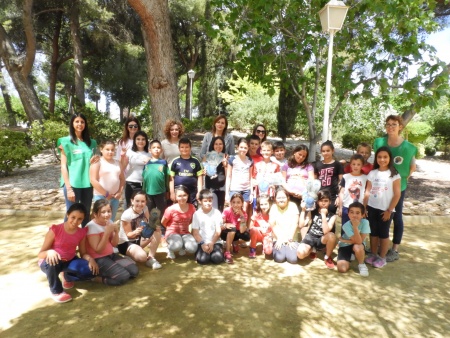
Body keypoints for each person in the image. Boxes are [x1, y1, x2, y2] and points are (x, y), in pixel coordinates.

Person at [373, 115, 417, 262]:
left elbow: (412, 167)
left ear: (400, 127)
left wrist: (401, 180)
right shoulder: (379, 142)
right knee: (379, 213)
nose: (391, 127)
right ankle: (378, 245)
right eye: (388, 124)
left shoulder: (408, 148)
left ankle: (395, 249)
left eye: (394, 124)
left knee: (396, 217)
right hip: (380, 186)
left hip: (398, 187)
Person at [38, 203, 98, 303]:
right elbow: (40, 254)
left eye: (80, 219)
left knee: (91, 271)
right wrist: (50, 252)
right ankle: (56, 291)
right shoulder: (55, 230)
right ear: (67, 215)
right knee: (52, 262)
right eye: (73, 217)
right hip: (51, 262)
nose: (75, 221)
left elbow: (83, 253)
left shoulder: (81, 233)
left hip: (69, 260)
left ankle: (66, 276)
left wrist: (91, 259)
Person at [363, 146, 401, 269]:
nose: (382, 159)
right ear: (376, 158)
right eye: (379, 157)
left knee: (383, 234)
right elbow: (367, 192)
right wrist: (364, 208)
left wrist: (389, 210)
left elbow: (397, 194)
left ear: (389, 158)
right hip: (372, 208)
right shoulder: (372, 173)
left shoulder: (394, 174)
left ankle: (382, 257)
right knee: (373, 233)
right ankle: (373, 254)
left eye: (385, 157)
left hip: (386, 210)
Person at [57, 113, 97, 227]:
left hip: (88, 184)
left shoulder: (92, 142)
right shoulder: (65, 142)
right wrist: (68, 188)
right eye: (77, 121)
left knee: (85, 213)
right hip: (72, 184)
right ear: (72, 123)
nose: (80, 124)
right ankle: (64, 241)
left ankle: (85, 240)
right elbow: (63, 166)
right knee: (71, 214)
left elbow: (94, 161)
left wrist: (96, 159)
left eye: (82, 122)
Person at [86, 199, 139, 285]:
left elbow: (114, 244)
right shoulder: (91, 227)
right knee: (123, 276)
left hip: (110, 255)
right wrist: (106, 233)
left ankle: (112, 270)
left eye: (109, 211)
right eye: (103, 212)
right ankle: (97, 278)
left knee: (134, 271)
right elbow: (98, 250)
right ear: (95, 214)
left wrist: (116, 232)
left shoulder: (109, 222)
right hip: (98, 258)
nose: (107, 214)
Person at [118, 191, 162, 269]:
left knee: (157, 231)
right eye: (137, 201)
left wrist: (154, 226)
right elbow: (129, 235)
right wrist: (135, 232)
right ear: (132, 201)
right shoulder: (127, 215)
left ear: (146, 202)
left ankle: (151, 258)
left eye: (143, 201)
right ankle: (128, 256)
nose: (140, 204)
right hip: (126, 243)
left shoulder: (145, 208)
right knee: (142, 257)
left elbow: (148, 222)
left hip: (139, 239)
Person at [297, 191, 337, 269]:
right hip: (311, 237)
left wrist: (323, 215)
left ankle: (327, 257)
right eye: (321, 201)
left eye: (326, 201)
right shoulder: (313, 211)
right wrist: (303, 210)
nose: (323, 203)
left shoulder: (333, 216)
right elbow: (301, 225)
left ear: (330, 202)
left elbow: (326, 231)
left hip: (321, 240)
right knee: (300, 254)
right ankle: (312, 249)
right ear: (318, 201)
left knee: (331, 236)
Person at [90, 140, 125, 221]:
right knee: (99, 220)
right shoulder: (97, 162)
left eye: (112, 150)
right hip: (100, 196)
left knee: (110, 220)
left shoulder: (117, 163)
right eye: (107, 149)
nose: (110, 152)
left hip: (114, 197)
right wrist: (106, 194)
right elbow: (93, 180)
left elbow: (122, 179)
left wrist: (120, 192)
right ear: (101, 149)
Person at [161, 185, 197, 259]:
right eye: (179, 196)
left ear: (188, 196)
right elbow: (163, 222)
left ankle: (182, 246)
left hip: (185, 233)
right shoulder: (170, 209)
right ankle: (170, 249)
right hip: (172, 233)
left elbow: (191, 221)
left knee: (193, 248)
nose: (182, 198)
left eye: (184, 195)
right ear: (176, 197)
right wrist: (170, 229)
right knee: (176, 246)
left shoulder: (192, 207)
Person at [337, 202, 370, 277]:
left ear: (362, 215)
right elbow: (356, 240)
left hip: (357, 244)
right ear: (348, 214)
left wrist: (355, 227)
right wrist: (345, 242)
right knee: (342, 269)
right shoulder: (346, 225)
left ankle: (361, 264)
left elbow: (359, 241)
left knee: (357, 246)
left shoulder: (365, 222)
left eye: (357, 213)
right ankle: (351, 254)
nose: (354, 215)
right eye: (351, 212)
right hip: (345, 246)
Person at [192, 189, 224, 265]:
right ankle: (200, 252)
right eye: (205, 201)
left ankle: (217, 251)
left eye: (210, 201)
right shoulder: (196, 214)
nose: (208, 203)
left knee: (217, 259)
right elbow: (195, 233)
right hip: (202, 242)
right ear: (200, 201)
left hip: (215, 242)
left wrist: (212, 243)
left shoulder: (216, 213)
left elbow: (218, 231)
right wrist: (203, 244)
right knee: (203, 260)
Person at [169, 138, 203, 206]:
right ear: (179, 148)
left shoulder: (195, 161)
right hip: (178, 191)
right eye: (182, 147)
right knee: (178, 210)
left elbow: (200, 177)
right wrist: (172, 192)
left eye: (187, 147)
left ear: (190, 148)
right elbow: (171, 178)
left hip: (192, 191)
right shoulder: (175, 161)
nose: (184, 149)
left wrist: (199, 191)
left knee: (192, 210)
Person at [269, 187, 299, 264]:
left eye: (283, 197)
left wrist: (290, 239)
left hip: (291, 238)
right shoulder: (273, 207)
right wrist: (279, 239)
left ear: (288, 198)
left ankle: (288, 249)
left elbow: (295, 224)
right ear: (275, 199)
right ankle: (282, 249)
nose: (281, 199)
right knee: (279, 258)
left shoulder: (293, 206)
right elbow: (273, 225)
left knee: (293, 259)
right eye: (279, 198)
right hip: (278, 238)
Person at [121, 131, 150, 208]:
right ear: (134, 140)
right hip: (131, 183)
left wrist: (150, 161)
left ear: (146, 141)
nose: (141, 141)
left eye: (143, 139)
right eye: (138, 139)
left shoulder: (150, 153)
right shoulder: (129, 152)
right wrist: (122, 156)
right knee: (130, 206)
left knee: (144, 207)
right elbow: (122, 167)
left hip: (145, 184)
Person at [338, 154, 368, 229]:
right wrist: (340, 207)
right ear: (350, 165)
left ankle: (356, 241)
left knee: (357, 229)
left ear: (362, 165)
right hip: (346, 207)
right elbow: (341, 192)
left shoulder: (365, 178)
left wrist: (364, 208)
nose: (355, 166)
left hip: (359, 208)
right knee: (345, 228)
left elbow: (366, 194)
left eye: (358, 164)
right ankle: (343, 241)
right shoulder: (346, 177)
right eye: (353, 164)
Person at [314, 140, 344, 214]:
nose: (325, 153)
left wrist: (338, 196)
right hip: (320, 195)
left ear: (332, 151)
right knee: (318, 218)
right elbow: (314, 181)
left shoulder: (337, 164)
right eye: (323, 151)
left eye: (328, 150)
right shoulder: (317, 164)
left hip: (332, 196)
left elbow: (341, 181)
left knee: (330, 217)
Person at [221, 193, 250, 263]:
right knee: (233, 228)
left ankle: (235, 242)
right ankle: (227, 252)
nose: (236, 205)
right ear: (230, 203)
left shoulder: (244, 214)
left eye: (238, 202)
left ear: (242, 204)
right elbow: (221, 225)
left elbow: (242, 231)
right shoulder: (227, 211)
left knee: (246, 235)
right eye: (233, 202)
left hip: (237, 232)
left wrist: (241, 215)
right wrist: (226, 224)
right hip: (226, 233)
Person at [142, 139, 170, 214]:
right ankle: (151, 225)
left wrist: (167, 191)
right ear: (149, 150)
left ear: (161, 150)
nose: (156, 149)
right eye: (154, 147)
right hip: (149, 193)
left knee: (162, 212)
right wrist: (144, 191)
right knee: (149, 212)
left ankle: (162, 225)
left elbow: (167, 177)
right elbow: (144, 178)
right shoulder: (147, 164)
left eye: (158, 147)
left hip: (161, 192)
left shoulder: (163, 162)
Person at [225, 138, 253, 210]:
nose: (243, 149)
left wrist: (251, 193)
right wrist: (227, 193)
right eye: (241, 147)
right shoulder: (232, 159)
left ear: (248, 148)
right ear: (237, 147)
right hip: (235, 189)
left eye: (245, 148)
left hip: (246, 190)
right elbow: (228, 177)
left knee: (243, 211)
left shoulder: (250, 161)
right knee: (233, 211)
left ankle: (243, 222)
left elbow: (250, 178)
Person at [203, 136, 227, 212]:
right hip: (211, 186)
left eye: (220, 144)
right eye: (216, 144)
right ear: (212, 145)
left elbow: (228, 174)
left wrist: (225, 165)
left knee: (220, 210)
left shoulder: (225, 156)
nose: (218, 146)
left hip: (222, 187)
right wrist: (204, 172)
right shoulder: (207, 156)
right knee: (212, 208)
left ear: (223, 145)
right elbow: (203, 170)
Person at [248, 194, 273, 258]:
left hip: (268, 235)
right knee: (254, 230)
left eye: (266, 204)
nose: (264, 206)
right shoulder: (257, 213)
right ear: (259, 205)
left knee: (269, 251)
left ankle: (265, 246)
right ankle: (252, 248)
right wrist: (259, 229)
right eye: (262, 204)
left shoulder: (272, 213)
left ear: (269, 204)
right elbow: (250, 227)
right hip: (259, 234)